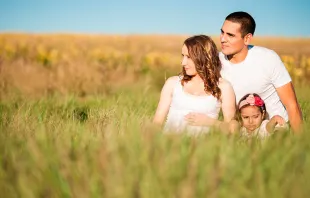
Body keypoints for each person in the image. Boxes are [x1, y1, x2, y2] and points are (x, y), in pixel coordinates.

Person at [190, 11, 303, 133]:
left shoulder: (268, 58)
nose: (223, 39)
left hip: (275, 129)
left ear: (247, 38)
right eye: (222, 32)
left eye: (230, 35)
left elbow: (292, 105)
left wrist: (300, 143)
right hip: (241, 133)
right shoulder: (215, 62)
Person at [153, 35, 236, 135]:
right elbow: (156, 124)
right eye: (182, 56)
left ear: (204, 57)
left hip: (203, 148)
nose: (183, 62)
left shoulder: (224, 87)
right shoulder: (173, 83)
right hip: (170, 146)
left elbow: (233, 129)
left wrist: (210, 122)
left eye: (188, 57)